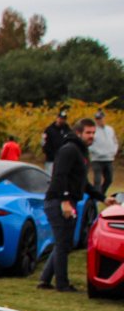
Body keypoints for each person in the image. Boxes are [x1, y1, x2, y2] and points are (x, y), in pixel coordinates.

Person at [38, 117, 97, 292]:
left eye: (93, 133)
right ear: (78, 133)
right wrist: (64, 200)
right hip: (58, 201)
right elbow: (59, 175)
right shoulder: (69, 150)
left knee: (62, 242)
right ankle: (62, 284)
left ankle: (45, 280)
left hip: (68, 200)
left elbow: (83, 183)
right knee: (64, 243)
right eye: (88, 132)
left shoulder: (80, 151)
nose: (91, 136)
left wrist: (102, 197)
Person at [89, 109, 117, 194]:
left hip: (109, 158)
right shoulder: (93, 131)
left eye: (101, 118)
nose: (99, 120)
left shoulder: (110, 129)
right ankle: (96, 196)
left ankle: (101, 194)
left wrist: (113, 151)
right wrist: (98, 152)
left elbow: (115, 141)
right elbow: (89, 145)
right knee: (97, 180)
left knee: (109, 179)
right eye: (97, 119)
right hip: (97, 159)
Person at [42, 108, 70, 175]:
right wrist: (50, 154)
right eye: (60, 118)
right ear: (57, 118)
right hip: (51, 160)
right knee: (50, 177)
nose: (61, 120)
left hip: (64, 160)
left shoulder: (68, 130)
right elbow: (44, 143)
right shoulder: (49, 130)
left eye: (63, 119)